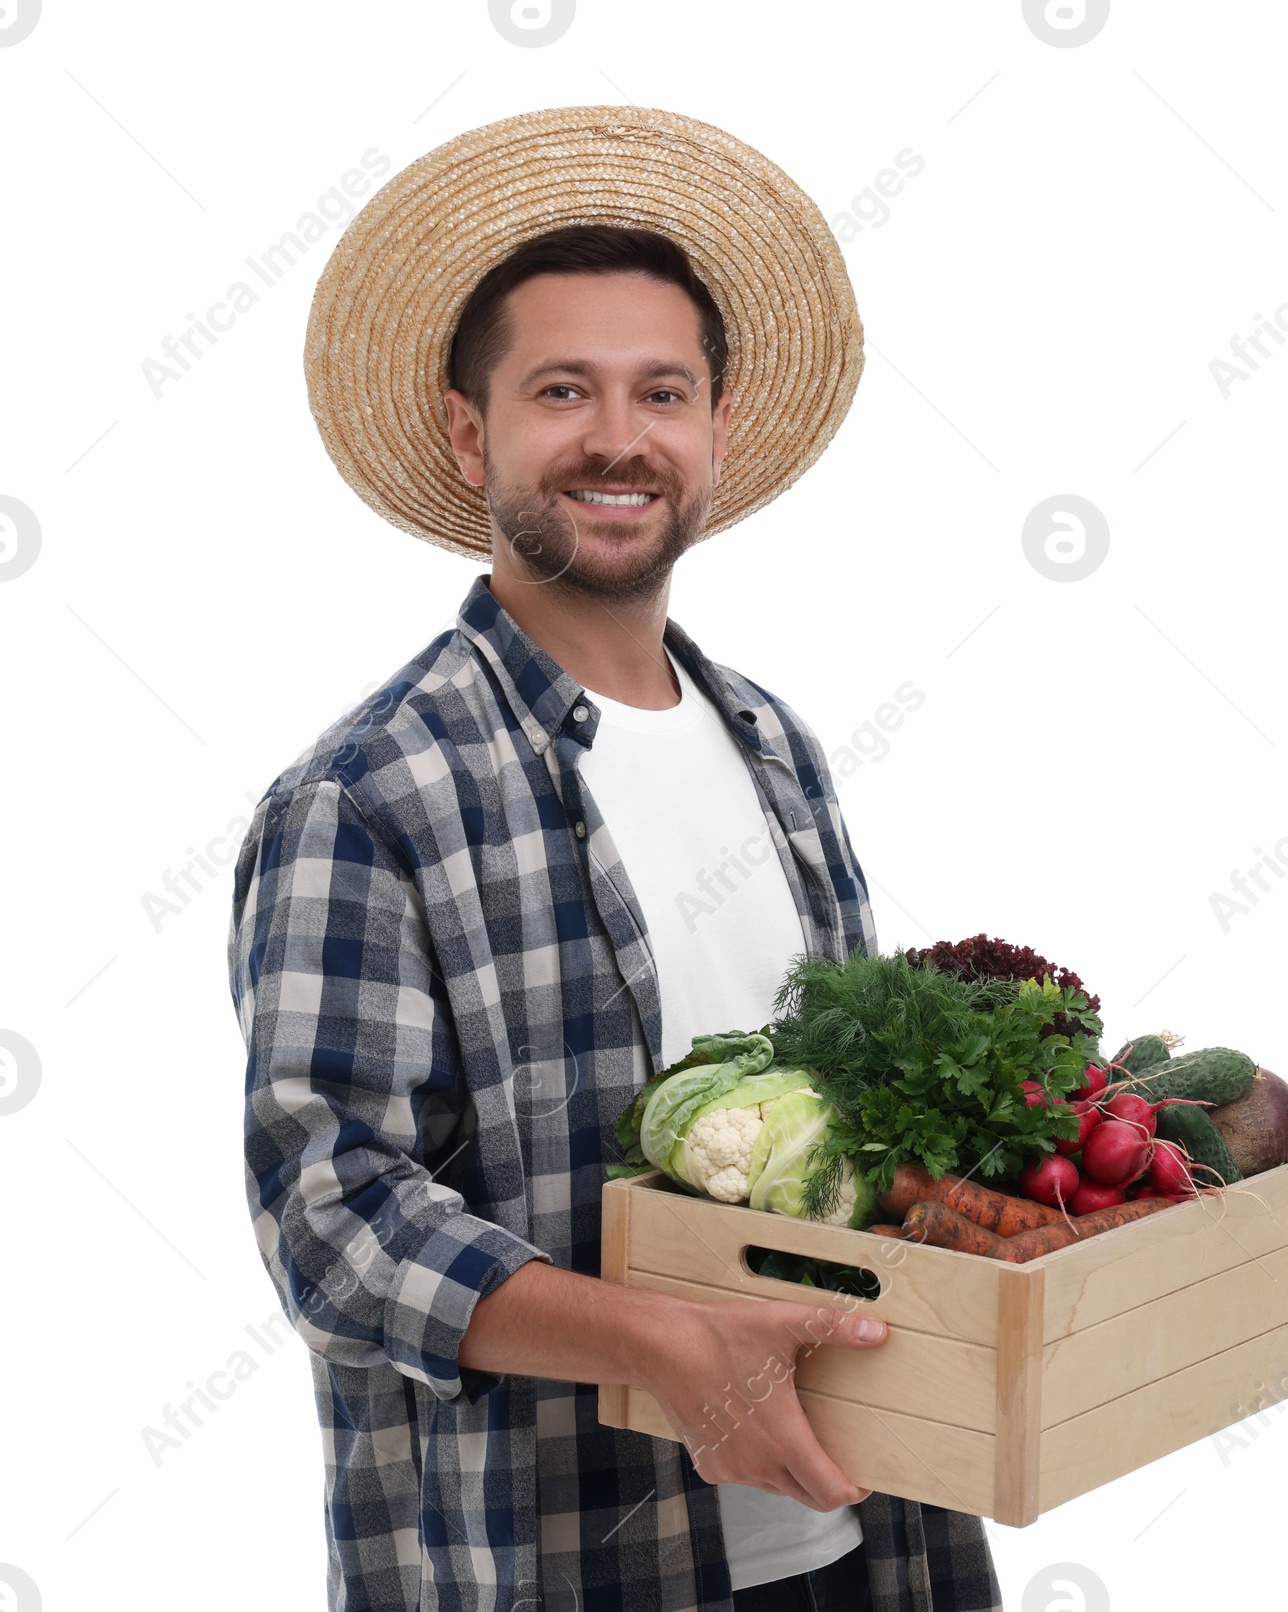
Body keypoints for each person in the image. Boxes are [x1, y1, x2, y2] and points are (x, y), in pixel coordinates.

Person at [227, 106, 1001, 1612]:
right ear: (474, 434)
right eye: (561, 390)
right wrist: (661, 1345)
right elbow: (331, 1217)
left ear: (713, 428)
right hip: (565, 1559)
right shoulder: (370, 794)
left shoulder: (775, 745)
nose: (618, 438)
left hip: (868, 1534)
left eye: (663, 390)